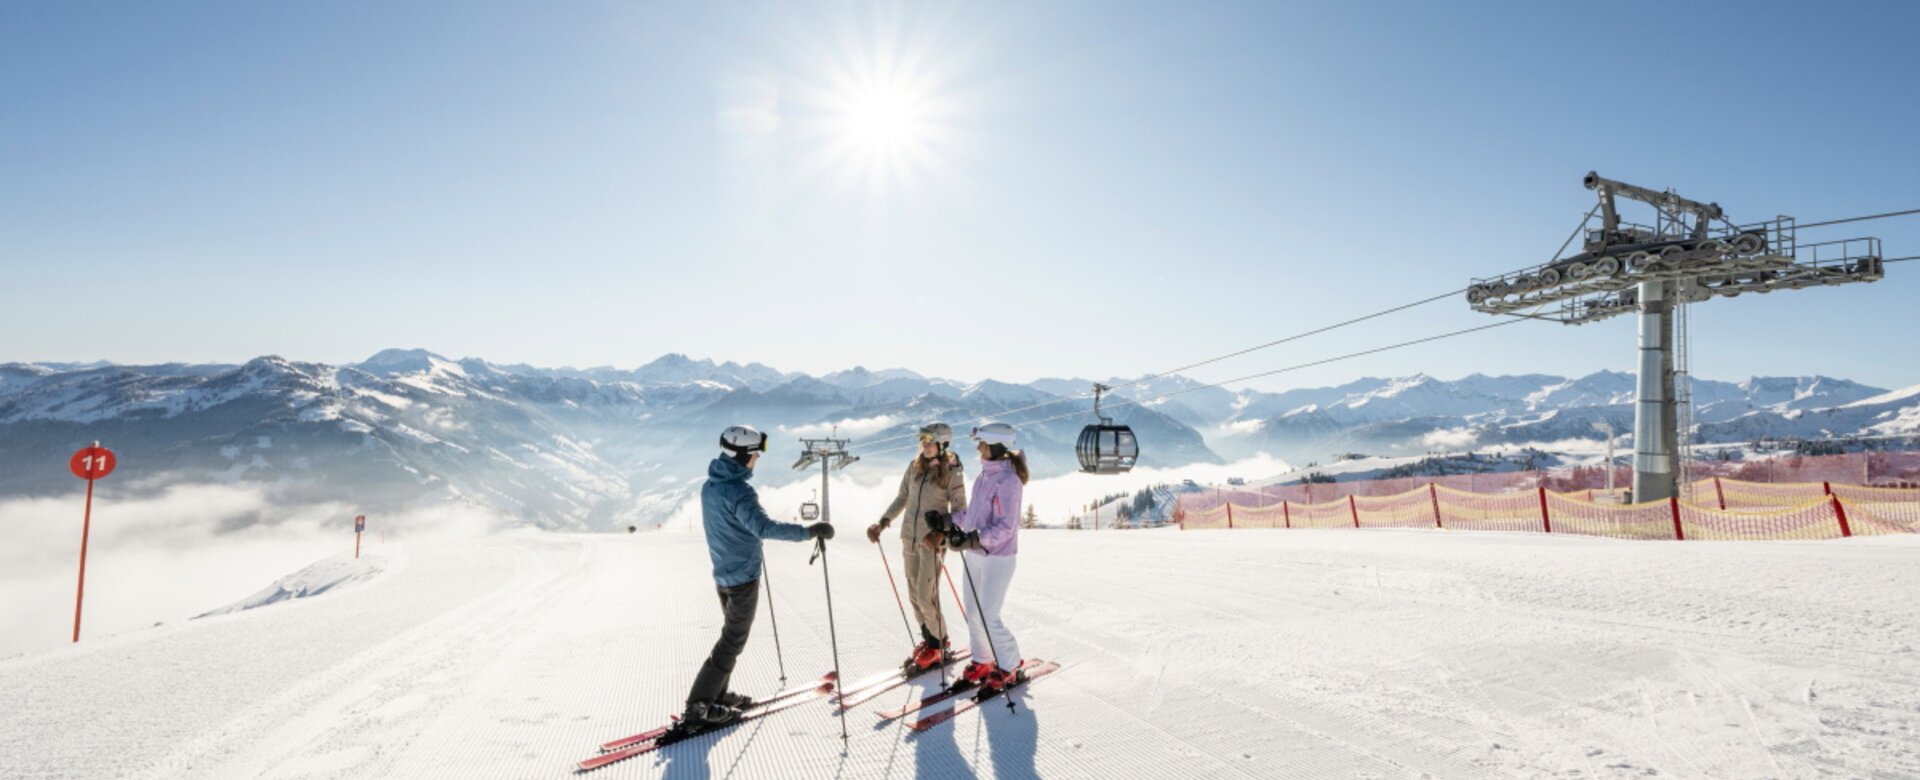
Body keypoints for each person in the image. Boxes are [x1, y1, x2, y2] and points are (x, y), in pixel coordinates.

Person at [676, 425, 834, 732]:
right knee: (731, 642)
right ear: (744, 455)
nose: (757, 460)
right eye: (755, 455)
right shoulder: (739, 491)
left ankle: (717, 695)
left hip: (723, 574)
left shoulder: (711, 486)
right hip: (743, 579)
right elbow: (763, 527)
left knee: (730, 636)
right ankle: (700, 706)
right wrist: (809, 531)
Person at [923, 422, 1028, 694]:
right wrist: (946, 520)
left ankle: (1010, 664)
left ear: (993, 445)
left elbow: (1006, 528)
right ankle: (982, 660)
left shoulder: (1009, 481)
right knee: (973, 613)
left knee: (989, 614)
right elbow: (972, 518)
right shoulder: (984, 477)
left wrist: (973, 539)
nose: (978, 448)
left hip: (998, 558)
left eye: (981, 443)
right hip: (975, 555)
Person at [867, 422, 967, 673]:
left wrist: (942, 533)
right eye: (922, 440)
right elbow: (903, 497)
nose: (925, 445)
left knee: (926, 595)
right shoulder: (915, 467)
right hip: (909, 537)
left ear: (943, 444)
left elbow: (960, 511)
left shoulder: (952, 471)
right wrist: (883, 522)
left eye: (930, 441)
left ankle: (939, 644)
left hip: (931, 541)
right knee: (914, 596)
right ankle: (929, 641)